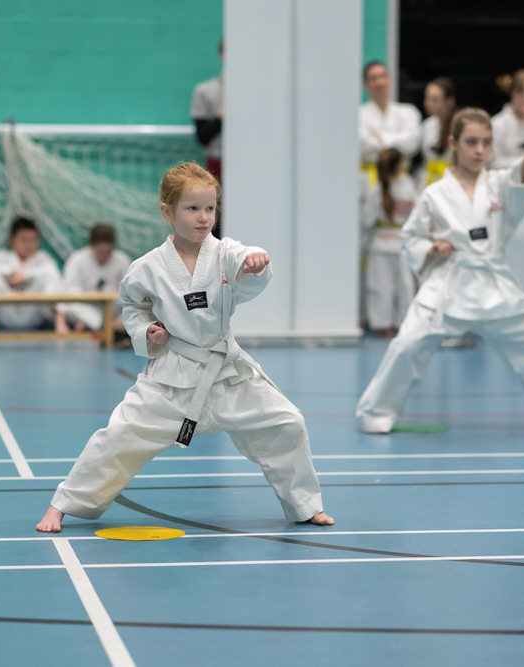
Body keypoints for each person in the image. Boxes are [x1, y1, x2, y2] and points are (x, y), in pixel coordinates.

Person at [36, 163, 333, 532]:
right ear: (168, 212)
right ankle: (62, 505)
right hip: (171, 381)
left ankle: (304, 504)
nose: (203, 217)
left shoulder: (225, 253)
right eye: (192, 209)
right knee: (118, 437)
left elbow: (245, 257)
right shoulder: (146, 268)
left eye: (210, 208)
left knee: (287, 423)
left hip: (227, 375)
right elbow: (133, 308)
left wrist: (255, 262)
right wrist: (147, 333)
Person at [355, 108, 524, 434]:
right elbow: (411, 237)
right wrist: (431, 249)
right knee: (407, 345)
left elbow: (519, 179)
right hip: (450, 280)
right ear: (453, 143)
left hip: (494, 283)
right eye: (471, 142)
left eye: (486, 143)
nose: (479, 150)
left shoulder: (499, 183)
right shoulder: (435, 193)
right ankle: (376, 413)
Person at [0, 217, 67, 334]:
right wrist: (10, 275)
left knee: (49, 273)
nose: (29, 245)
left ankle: (61, 324)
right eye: (24, 240)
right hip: (6, 313)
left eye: (33, 240)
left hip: (33, 314)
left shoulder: (43, 259)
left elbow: (48, 272)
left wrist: (26, 275)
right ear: (12, 240)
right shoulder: (1, 257)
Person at [360, 149, 417, 337]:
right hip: (400, 241)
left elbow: (367, 220)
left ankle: (382, 324)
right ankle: (402, 323)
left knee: (381, 286)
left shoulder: (375, 189)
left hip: (381, 241)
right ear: (399, 166)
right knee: (404, 286)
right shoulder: (406, 186)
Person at [359, 61, 422, 187]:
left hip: (401, 180)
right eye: (374, 78)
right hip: (369, 182)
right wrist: (397, 137)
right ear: (366, 84)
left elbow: (412, 144)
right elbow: (364, 145)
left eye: (383, 76)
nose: (380, 83)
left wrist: (380, 138)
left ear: (390, 79)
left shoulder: (408, 112)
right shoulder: (359, 114)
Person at [59, 223, 131, 334]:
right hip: (85, 308)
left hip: (112, 311)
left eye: (107, 252)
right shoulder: (77, 260)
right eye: (99, 252)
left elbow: (129, 294)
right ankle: (103, 326)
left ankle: (101, 326)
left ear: (113, 247)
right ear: (91, 246)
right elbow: (70, 291)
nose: (103, 256)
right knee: (71, 304)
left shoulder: (122, 261)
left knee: (131, 307)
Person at [191, 39, 224, 184]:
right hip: (218, 162)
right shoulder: (205, 91)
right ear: (222, 55)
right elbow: (202, 137)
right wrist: (220, 118)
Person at [416, 77, 457, 191]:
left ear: (449, 101)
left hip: (452, 182)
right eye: (427, 98)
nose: (428, 103)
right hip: (429, 181)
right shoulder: (427, 125)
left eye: (434, 99)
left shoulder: (460, 125)